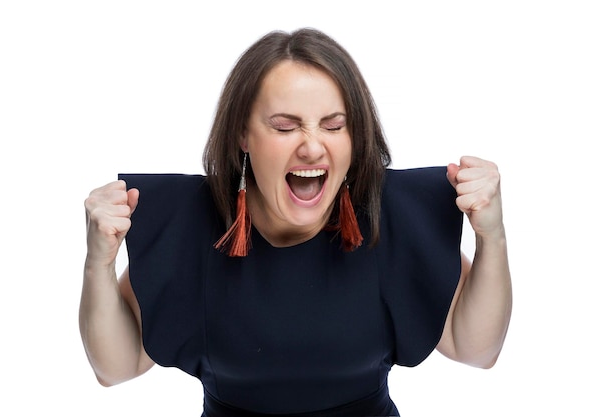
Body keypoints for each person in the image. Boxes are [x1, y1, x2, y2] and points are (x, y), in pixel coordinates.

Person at [80, 28, 512, 416]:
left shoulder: (392, 215)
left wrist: (491, 237)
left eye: (333, 125)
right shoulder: (189, 224)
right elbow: (115, 369)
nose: (311, 146)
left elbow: (478, 350)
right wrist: (98, 263)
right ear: (242, 136)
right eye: (285, 127)